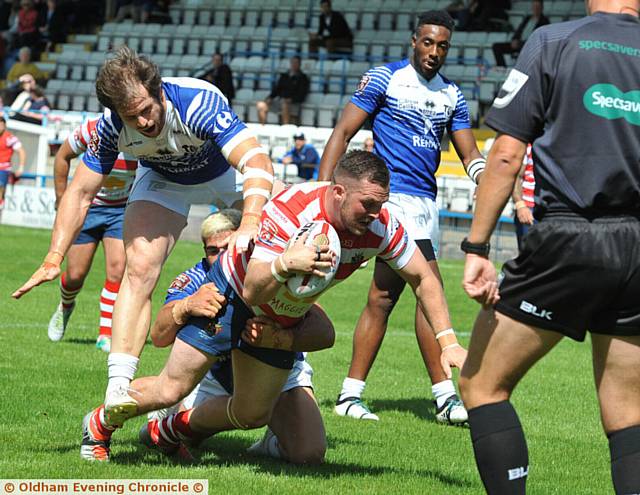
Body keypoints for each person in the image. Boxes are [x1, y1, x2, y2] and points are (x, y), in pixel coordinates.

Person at [135, 150, 467, 457]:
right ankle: (120, 417)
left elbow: (423, 278)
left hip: (278, 325)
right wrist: (186, 307)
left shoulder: (381, 226)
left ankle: (178, 428)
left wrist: (448, 341)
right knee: (170, 392)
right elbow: (247, 293)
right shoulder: (289, 210)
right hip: (235, 313)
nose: (375, 213)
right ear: (338, 192)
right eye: (367, 203)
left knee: (307, 452)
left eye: (380, 204)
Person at [12, 46, 275, 429]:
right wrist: (55, 256)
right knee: (139, 269)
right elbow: (81, 192)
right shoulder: (111, 126)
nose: (144, 121)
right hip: (163, 180)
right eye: (131, 117)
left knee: (271, 249)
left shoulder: (196, 104)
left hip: (223, 172)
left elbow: (256, 161)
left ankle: (282, 369)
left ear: (159, 92)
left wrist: (250, 220)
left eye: (147, 109)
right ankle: (118, 385)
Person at [458, 1, 640, 493]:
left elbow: (506, 155)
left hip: (570, 236)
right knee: (629, 414)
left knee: (481, 384)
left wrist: (476, 246)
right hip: (639, 245)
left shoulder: (554, 41)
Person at [318, 10, 485, 424]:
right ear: (414, 41)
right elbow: (343, 132)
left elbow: (469, 153)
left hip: (425, 206)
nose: (434, 51)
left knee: (383, 297)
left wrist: (486, 176)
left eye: (442, 45)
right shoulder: (384, 78)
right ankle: (445, 395)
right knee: (430, 288)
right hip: (392, 203)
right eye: (427, 42)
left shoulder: (452, 95)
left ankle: (349, 394)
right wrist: (320, 192)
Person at [81, 209, 332, 463]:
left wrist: (279, 338)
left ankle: (271, 441)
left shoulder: (268, 272)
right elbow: (158, 337)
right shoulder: (196, 278)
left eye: (227, 246)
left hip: (278, 373)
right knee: (161, 425)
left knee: (308, 452)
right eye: (212, 250)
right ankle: (162, 427)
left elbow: (325, 333)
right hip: (216, 376)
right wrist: (185, 306)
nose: (221, 256)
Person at [47, 117, 138, 352]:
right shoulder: (91, 130)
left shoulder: (143, 138)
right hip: (86, 209)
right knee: (75, 275)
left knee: (117, 272)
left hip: (120, 210)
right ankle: (65, 306)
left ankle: (106, 334)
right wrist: (61, 199)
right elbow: (62, 156)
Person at [492, 0, 549, 67]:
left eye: (537, 7)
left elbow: (540, 39)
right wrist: (514, 39)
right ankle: (502, 67)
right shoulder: (527, 18)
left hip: (530, 46)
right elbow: (518, 31)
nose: (535, 9)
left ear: (542, 8)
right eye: (534, 6)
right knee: (496, 46)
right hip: (518, 44)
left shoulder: (544, 21)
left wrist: (521, 43)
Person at [256, 56, 309, 125]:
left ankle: (285, 127)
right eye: (292, 62)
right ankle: (262, 127)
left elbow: (302, 94)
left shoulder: (303, 78)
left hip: (294, 103)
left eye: (296, 63)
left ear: (299, 64)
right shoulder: (284, 76)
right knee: (261, 105)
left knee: (285, 104)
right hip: (280, 101)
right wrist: (270, 98)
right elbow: (277, 89)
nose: (294, 64)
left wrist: (291, 99)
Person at [511, 143, 534, 251]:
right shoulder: (527, 147)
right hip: (529, 208)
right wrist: (520, 205)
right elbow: (516, 176)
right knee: (527, 255)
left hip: (552, 208)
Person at [0, 116, 25, 209]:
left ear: (4, 126)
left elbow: (21, 151)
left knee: (0, 186)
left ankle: (1, 203)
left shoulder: (9, 138)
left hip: (4, 169)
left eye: (1, 125)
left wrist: (21, 167)